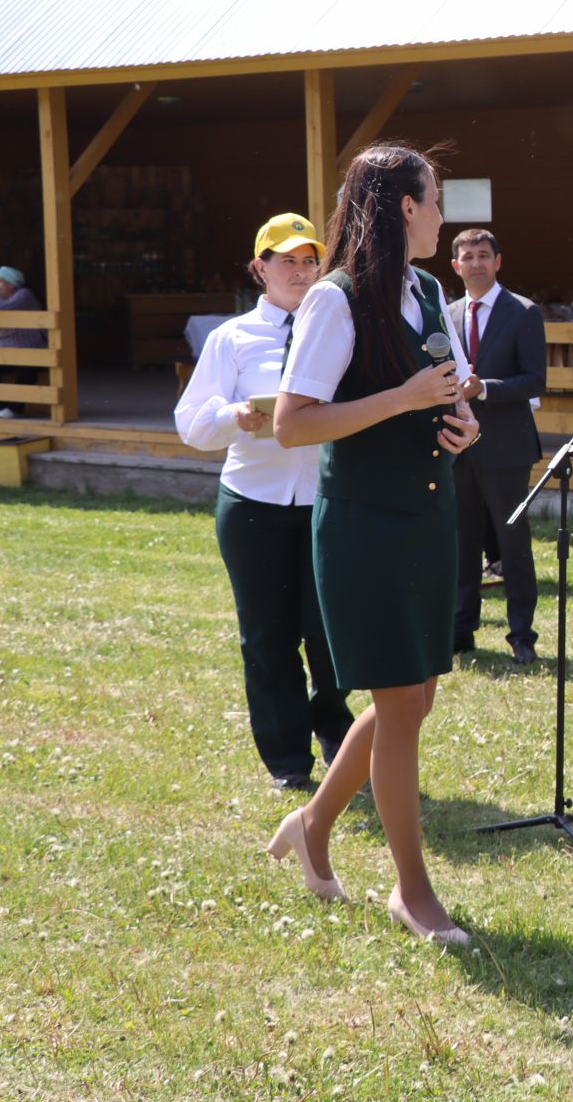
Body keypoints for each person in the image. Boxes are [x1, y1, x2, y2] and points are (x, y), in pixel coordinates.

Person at [268, 144, 480, 946]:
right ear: (403, 208)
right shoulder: (335, 299)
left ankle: (315, 824)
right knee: (399, 705)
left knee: (412, 701)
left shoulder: (427, 288)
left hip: (428, 520)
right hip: (364, 528)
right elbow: (293, 422)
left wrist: (463, 422)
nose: (441, 215)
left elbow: (449, 389)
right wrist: (402, 400)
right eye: (434, 200)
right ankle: (412, 893)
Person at [174, 213, 352, 791]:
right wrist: (235, 416)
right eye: (287, 261)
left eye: (309, 261)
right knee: (268, 636)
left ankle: (337, 739)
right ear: (260, 268)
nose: (300, 272)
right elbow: (191, 425)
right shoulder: (232, 338)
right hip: (253, 504)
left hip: (328, 502)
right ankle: (287, 762)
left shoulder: (341, 327)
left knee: (328, 631)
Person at [447, 228, 547, 667]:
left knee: (513, 544)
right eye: (467, 257)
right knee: (461, 541)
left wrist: (483, 388)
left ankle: (522, 634)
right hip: (456, 445)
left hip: (506, 448)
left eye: (484, 256)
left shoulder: (522, 312)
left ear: (498, 261)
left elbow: (535, 380)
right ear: (455, 266)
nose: (476, 264)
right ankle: (460, 629)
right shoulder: (445, 314)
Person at [0, 266, 43, 418]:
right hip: (4, 352)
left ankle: (14, 408)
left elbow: (7, 307)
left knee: (28, 368)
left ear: (12, 283)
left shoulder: (24, 294)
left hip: (31, 349)